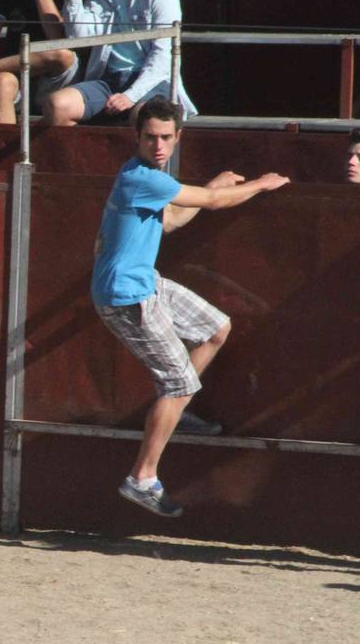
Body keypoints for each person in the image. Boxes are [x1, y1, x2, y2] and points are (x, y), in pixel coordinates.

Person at [93, 98, 289, 518]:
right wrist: (259, 184)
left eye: (166, 137)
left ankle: (176, 409)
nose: (158, 145)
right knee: (178, 385)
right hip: (126, 297)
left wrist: (214, 187)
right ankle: (142, 478)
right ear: (137, 138)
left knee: (216, 328)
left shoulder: (150, 178)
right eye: (150, 137)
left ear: (178, 136)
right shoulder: (142, 176)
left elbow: (173, 220)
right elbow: (212, 203)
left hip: (144, 283)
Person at [43, 0, 195, 126]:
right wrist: (73, 1)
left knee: (144, 118)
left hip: (153, 81)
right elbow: (79, 37)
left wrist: (130, 96)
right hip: (109, 80)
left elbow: (163, 56)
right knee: (57, 105)